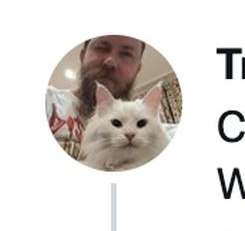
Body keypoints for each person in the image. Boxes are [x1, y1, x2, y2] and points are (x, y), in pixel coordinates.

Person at [48, 36, 177, 158]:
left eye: (126, 54)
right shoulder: (47, 99)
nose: (110, 62)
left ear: (137, 69)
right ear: (82, 56)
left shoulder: (167, 135)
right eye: (101, 48)